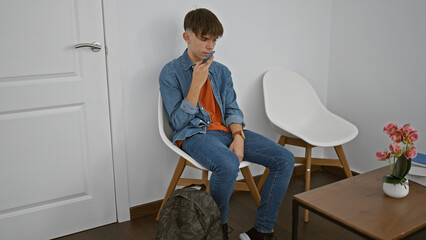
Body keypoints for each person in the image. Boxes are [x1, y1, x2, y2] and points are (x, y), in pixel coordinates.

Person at [159, 8, 295, 240]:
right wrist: (195, 85)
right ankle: (217, 230)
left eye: (214, 40)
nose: (210, 46)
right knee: (228, 163)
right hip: (194, 134)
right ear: (187, 37)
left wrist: (238, 137)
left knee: (285, 159)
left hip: (226, 131)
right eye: (204, 39)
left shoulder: (221, 72)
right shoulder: (170, 72)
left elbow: (232, 109)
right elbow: (178, 122)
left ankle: (263, 232)